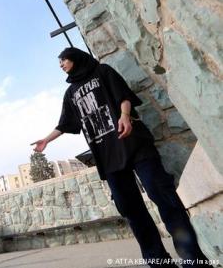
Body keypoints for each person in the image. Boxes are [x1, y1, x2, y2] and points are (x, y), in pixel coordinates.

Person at [32, 47, 212, 268]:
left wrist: (125, 116)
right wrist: (47, 140)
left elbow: (124, 96)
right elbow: (65, 123)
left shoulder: (103, 71)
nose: (61, 65)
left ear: (75, 57)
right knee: (131, 210)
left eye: (63, 60)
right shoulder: (71, 93)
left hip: (134, 144)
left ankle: (194, 261)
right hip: (108, 157)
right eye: (59, 63)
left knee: (163, 197)